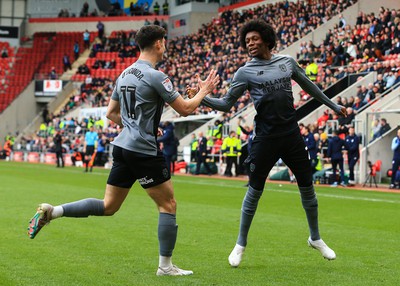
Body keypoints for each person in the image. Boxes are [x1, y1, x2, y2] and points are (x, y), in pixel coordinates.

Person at [27, 25, 219, 276]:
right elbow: (184, 109)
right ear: (160, 43)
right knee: (168, 205)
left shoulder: (124, 74)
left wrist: (142, 126)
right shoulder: (156, 76)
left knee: (109, 206)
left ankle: (54, 211)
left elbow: (111, 114)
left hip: (123, 147)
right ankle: (165, 266)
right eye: (164, 42)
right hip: (143, 150)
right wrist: (204, 91)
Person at [188, 19, 346, 266]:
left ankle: (315, 238)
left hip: (292, 135)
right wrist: (202, 97)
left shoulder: (287, 63)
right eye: (247, 40)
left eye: (254, 39)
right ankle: (240, 244)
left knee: (307, 186)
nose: (250, 43)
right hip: (265, 138)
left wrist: (334, 106)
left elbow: (311, 87)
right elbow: (227, 104)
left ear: (267, 39)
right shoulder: (244, 72)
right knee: (255, 189)